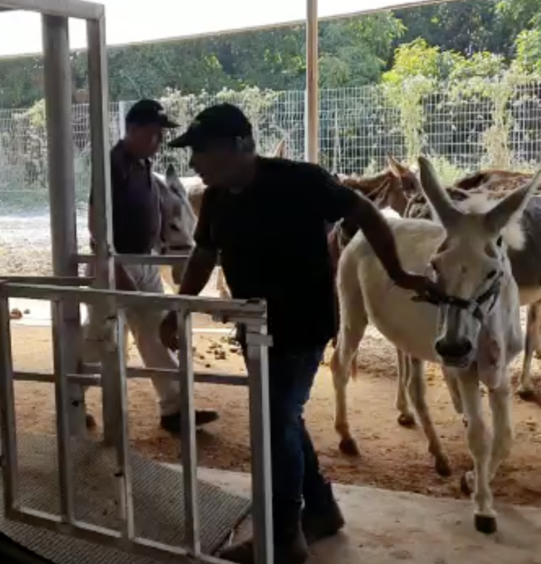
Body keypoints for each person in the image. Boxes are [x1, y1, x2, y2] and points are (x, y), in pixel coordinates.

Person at [158, 103, 436, 564]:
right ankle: (321, 510)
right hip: (255, 328)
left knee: (275, 421)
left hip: (301, 325)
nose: (194, 163)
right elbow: (205, 254)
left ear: (238, 146)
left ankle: (283, 536)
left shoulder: (300, 180)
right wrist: (179, 307)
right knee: (283, 418)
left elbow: (365, 213)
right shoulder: (217, 200)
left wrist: (399, 273)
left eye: (202, 151)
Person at [84, 98, 219, 434]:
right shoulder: (112, 164)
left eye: (160, 135)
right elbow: (95, 222)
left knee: (157, 328)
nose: (158, 142)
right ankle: (72, 396)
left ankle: (174, 408)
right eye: (153, 134)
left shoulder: (144, 166)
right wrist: (112, 266)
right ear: (131, 130)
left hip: (144, 261)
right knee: (99, 337)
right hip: (114, 264)